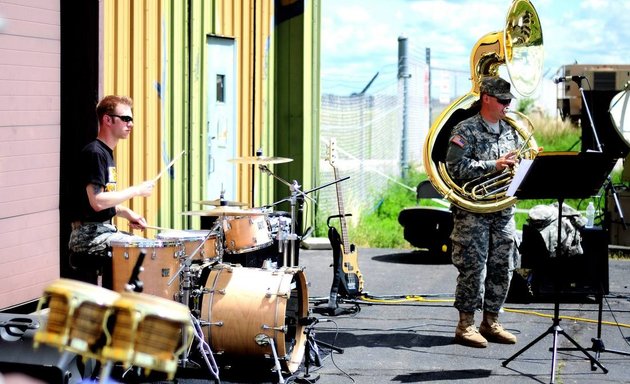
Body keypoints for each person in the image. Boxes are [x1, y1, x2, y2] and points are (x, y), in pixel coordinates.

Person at [445, 76, 521, 348]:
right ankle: (465, 325)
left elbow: (517, 163)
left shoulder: (510, 130)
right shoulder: (465, 130)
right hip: (473, 212)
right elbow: (455, 169)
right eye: (503, 101)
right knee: (473, 268)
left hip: (503, 209)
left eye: (509, 101)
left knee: (504, 266)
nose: (507, 105)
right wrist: (494, 165)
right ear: (486, 98)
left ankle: (491, 321)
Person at [68, 95, 155, 289]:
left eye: (131, 119)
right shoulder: (95, 153)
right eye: (125, 119)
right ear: (108, 119)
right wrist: (136, 190)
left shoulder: (105, 153)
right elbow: (97, 201)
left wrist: (126, 213)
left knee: (147, 251)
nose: (130, 124)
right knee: (144, 251)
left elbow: (101, 203)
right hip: (89, 237)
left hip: (102, 231)